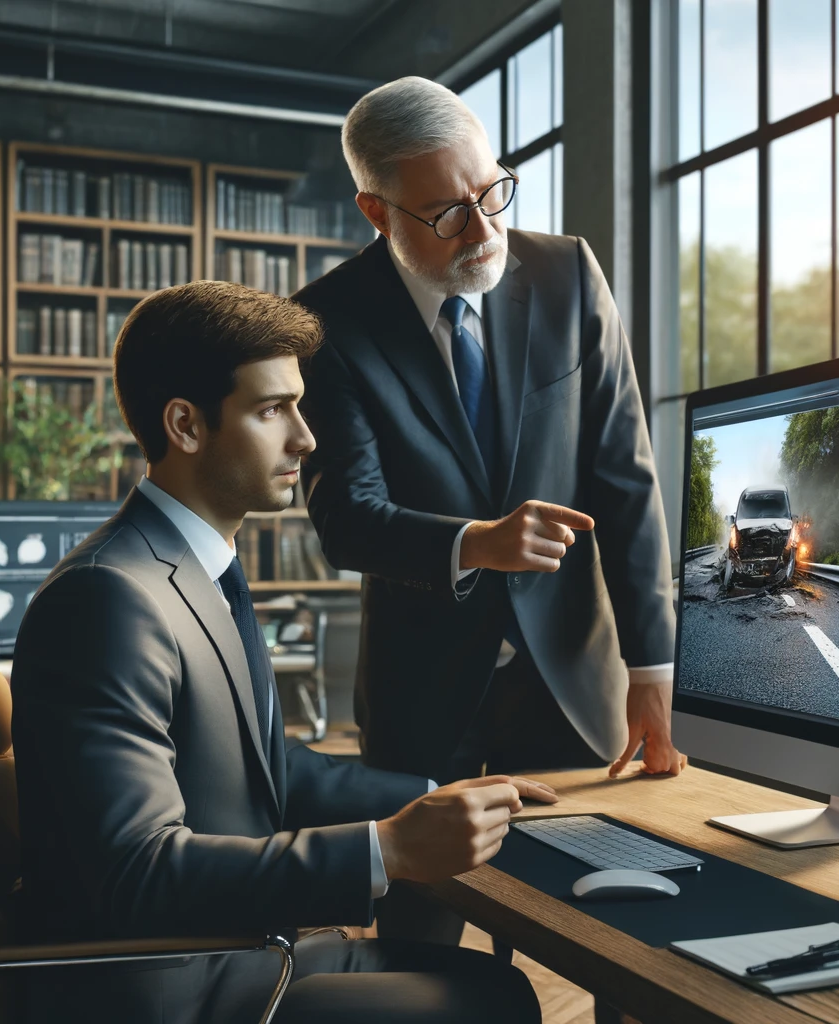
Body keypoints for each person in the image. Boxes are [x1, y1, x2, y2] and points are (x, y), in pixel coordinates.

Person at [8, 281, 550, 1023]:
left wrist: (433, 796)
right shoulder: (107, 598)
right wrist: (385, 849)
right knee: (485, 1004)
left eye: (299, 405)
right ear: (186, 425)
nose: (307, 437)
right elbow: (135, 870)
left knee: (493, 990)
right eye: (272, 410)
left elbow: (268, 770)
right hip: (169, 987)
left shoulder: (193, 565)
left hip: (239, 952)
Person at [294, 76, 685, 946]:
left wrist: (651, 671)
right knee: (419, 937)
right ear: (375, 210)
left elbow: (625, 480)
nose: (483, 230)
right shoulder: (326, 324)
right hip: (421, 691)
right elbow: (347, 519)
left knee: (611, 929)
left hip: (572, 682)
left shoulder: (568, 274)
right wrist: (477, 543)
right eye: (446, 214)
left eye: (492, 194)